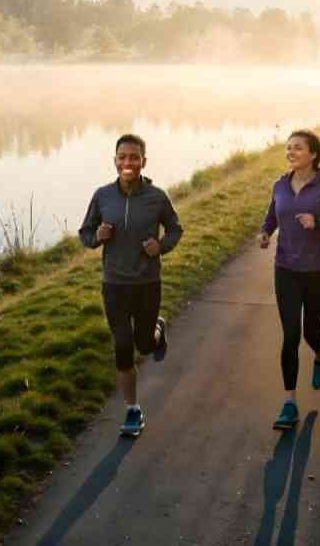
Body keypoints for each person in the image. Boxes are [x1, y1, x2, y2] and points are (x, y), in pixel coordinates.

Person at [79, 133, 183, 437]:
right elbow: (85, 234)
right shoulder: (102, 196)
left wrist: (160, 246)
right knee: (123, 347)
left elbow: (175, 229)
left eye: (134, 157)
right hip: (114, 284)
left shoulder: (157, 197)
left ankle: (157, 330)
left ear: (143, 161)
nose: (128, 163)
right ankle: (133, 410)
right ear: (115, 161)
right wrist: (97, 237)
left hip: (147, 283)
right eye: (122, 157)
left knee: (145, 345)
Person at [259, 129, 320, 430]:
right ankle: (289, 403)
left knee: (311, 331)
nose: (290, 153)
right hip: (286, 269)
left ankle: (319, 354)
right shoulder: (280, 185)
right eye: (288, 148)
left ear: (313, 154)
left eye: (297, 148)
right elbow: (273, 215)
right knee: (290, 335)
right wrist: (265, 232)